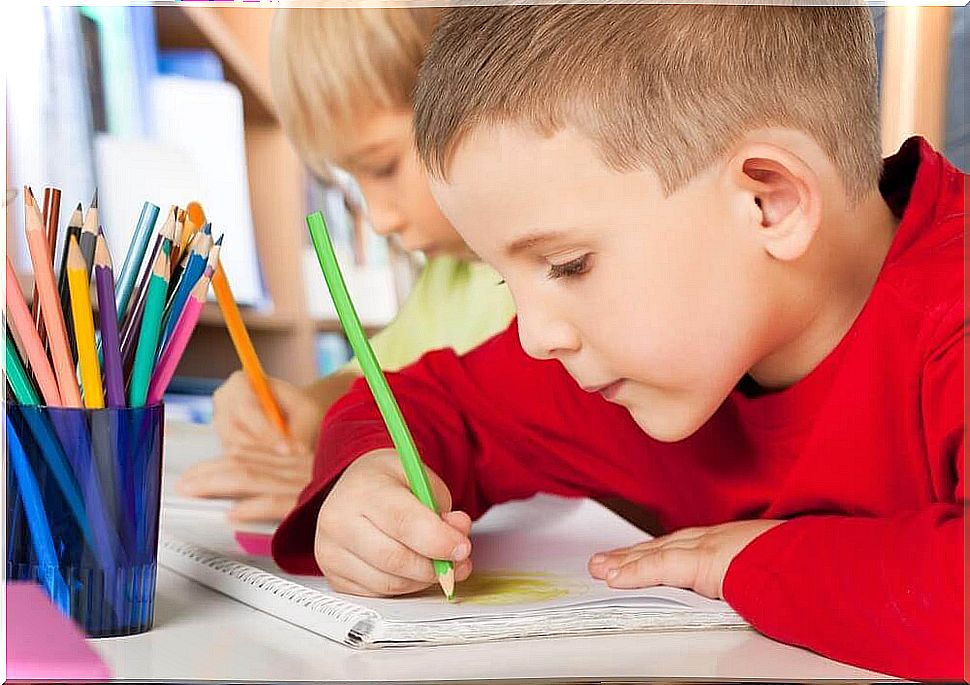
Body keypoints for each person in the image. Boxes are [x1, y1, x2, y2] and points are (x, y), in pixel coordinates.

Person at [269, 5, 964, 679]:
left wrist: (752, 561)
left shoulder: (950, 312)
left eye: (568, 264)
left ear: (769, 199)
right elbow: (418, 403)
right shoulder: (616, 360)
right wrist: (371, 483)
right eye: (506, 281)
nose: (536, 337)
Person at [176, 8, 515, 522]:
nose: (377, 221)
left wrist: (340, 470)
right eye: (354, 179)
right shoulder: (450, 275)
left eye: (383, 166)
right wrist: (310, 411)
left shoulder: (552, 280)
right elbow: (379, 380)